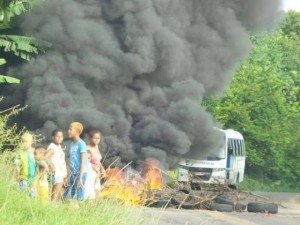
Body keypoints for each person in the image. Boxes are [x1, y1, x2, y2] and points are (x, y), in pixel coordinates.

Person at [63, 122, 88, 201]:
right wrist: (68, 175)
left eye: (70, 129)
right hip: (73, 173)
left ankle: (81, 212)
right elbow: (71, 161)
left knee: (79, 195)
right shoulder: (71, 144)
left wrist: (80, 178)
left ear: (77, 131)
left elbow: (83, 161)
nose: (68, 131)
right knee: (70, 195)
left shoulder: (81, 144)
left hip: (81, 173)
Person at [45, 129, 67, 202]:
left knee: (55, 194)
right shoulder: (52, 147)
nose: (59, 138)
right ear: (52, 137)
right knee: (54, 194)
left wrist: (65, 175)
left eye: (61, 136)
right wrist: (51, 165)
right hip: (56, 174)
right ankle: (51, 209)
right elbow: (45, 157)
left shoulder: (59, 147)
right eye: (57, 136)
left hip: (60, 174)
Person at [84, 130, 106, 199]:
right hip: (89, 172)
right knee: (90, 191)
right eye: (94, 138)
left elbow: (97, 160)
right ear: (90, 138)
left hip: (97, 173)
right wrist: (92, 166)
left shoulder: (96, 147)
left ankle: (95, 208)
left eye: (98, 138)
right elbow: (84, 161)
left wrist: (102, 168)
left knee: (97, 190)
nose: (97, 140)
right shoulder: (87, 148)